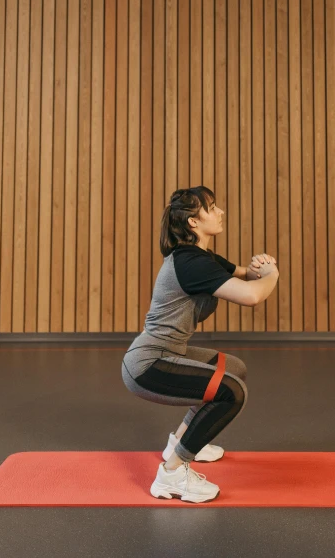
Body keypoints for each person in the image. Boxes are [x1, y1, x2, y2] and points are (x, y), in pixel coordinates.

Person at [121, 185, 279, 503]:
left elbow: (247, 275)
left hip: (168, 353)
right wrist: (272, 275)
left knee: (233, 369)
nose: (220, 212)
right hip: (148, 364)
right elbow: (251, 295)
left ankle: (179, 441)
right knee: (231, 392)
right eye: (212, 207)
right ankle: (172, 473)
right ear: (194, 222)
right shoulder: (190, 263)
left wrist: (261, 266)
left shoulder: (203, 258)